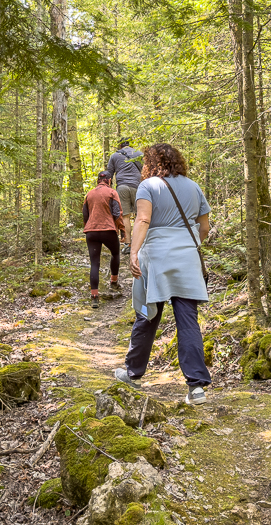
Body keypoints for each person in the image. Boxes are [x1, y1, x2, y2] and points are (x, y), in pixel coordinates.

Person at [113, 142, 212, 405]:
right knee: (188, 321)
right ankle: (197, 387)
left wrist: (133, 252)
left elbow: (143, 220)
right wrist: (190, 245)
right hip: (187, 258)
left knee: (148, 315)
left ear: (151, 163)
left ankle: (133, 373)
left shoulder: (149, 185)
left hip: (156, 256)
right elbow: (204, 226)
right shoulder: (194, 187)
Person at [82, 171, 124, 308]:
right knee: (116, 253)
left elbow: (85, 214)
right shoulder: (112, 193)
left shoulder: (89, 194)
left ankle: (94, 296)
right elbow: (117, 213)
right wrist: (122, 229)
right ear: (109, 180)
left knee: (94, 263)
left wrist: (88, 227)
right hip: (108, 230)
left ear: (98, 180)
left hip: (91, 231)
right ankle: (114, 282)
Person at [105, 138, 144, 248]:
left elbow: (109, 175)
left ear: (120, 145)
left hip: (122, 187)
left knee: (125, 216)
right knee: (140, 216)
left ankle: (128, 244)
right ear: (131, 144)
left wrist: (109, 190)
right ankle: (139, 243)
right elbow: (146, 171)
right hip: (138, 187)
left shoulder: (115, 156)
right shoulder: (139, 154)